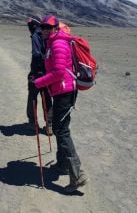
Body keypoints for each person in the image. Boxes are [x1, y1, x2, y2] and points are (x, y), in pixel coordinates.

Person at [32, 15, 88, 193]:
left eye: (48, 27)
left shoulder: (58, 44)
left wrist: (39, 82)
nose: (45, 30)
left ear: (56, 28)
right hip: (60, 91)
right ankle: (63, 165)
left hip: (65, 91)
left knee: (62, 130)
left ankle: (77, 175)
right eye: (43, 27)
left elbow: (58, 73)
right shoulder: (51, 43)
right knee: (59, 128)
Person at [26, 17, 52, 133]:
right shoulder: (48, 36)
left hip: (37, 72)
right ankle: (49, 125)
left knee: (32, 97)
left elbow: (36, 55)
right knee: (47, 97)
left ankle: (33, 123)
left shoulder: (36, 35)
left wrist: (34, 73)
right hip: (48, 72)